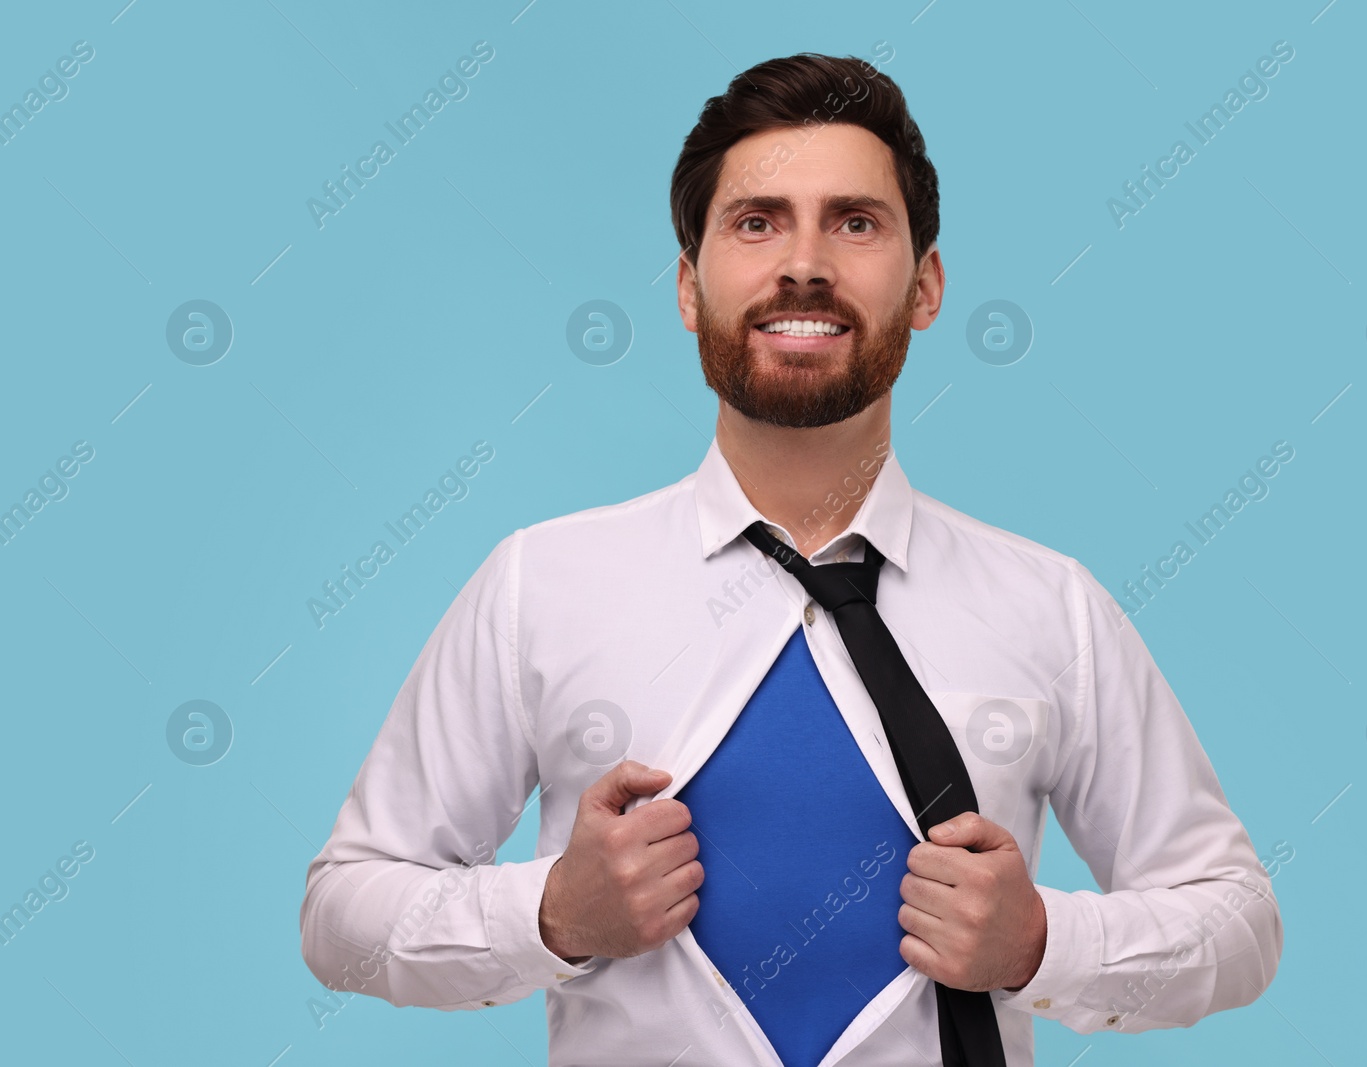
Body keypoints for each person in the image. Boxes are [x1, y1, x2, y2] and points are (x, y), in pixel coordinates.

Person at [299, 52, 1283, 1067]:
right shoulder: (538, 586)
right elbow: (342, 913)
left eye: (855, 222)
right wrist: (548, 911)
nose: (803, 263)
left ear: (927, 284)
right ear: (689, 287)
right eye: (756, 221)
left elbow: (1239, 923)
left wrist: (1043, 942)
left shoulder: (1052, 607)